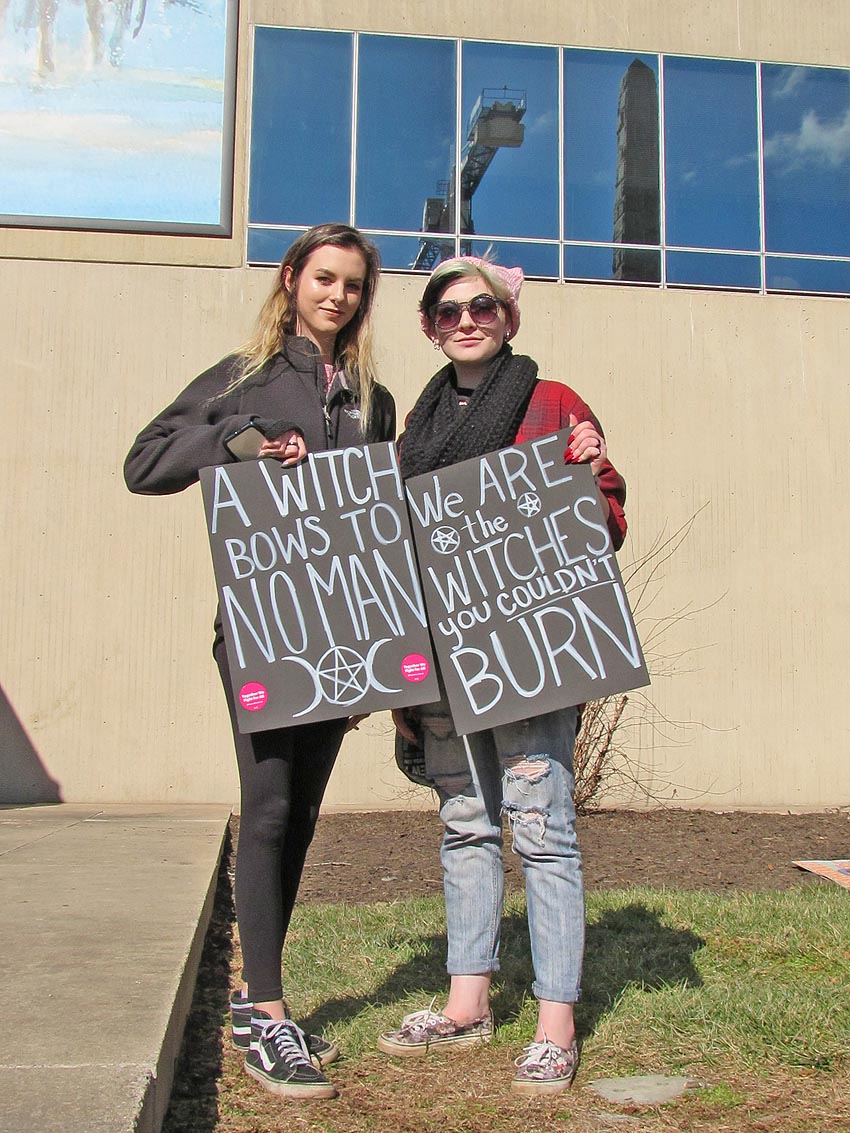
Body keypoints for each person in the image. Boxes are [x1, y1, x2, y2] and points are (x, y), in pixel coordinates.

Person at [124, 223, 396, 1101]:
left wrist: (384, 651)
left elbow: (381, 522)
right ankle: (271, 1016)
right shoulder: (241, 378)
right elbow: (144, 463)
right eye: (325, 278)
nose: (338, 296)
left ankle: (255, 996)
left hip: (344, 636)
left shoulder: (373, 400)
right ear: (291, 279)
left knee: (303, 812)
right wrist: (238, 437)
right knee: (269, 805)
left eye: (353, 285)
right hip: (262, 629)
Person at [377, 256, 627, 1096]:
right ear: (429, 328)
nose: (466, 321)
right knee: (465, 825)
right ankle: (468, 1003)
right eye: (448, 311)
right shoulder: (414, 428)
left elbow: (606, 522)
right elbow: (393, 546)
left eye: (482, 306)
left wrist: (588, 469)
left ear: (508, 318)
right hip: (444, 664)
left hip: (531, 658)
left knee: (543, 829)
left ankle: (556, 1023)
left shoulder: (553, 402)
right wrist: (398, 676)